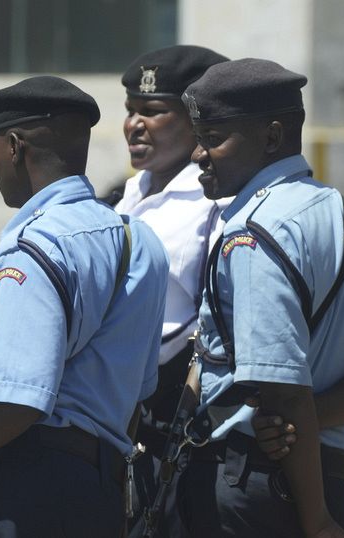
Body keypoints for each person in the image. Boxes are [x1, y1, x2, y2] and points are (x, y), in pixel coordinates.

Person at [0, 76, 169, 538]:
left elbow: (16, 401)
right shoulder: (137, 241)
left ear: (15, 147)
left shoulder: (33, 249)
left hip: (25, 489)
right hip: (98, 490)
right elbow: (139, 387)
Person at [175, 59, 344, 537]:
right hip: (322, 473)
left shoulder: (253, 234)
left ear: (271, 136)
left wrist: (317, 520)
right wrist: (317, 418)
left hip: (259, 481)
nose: (198, 154)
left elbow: (284, 392)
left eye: (214, 137)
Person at [113, 44, 229, 537]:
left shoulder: (213, 203)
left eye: (154, 111)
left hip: (178, 414)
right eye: (130, 111)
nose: (135, 125)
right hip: (120, 413)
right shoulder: (125, 194)